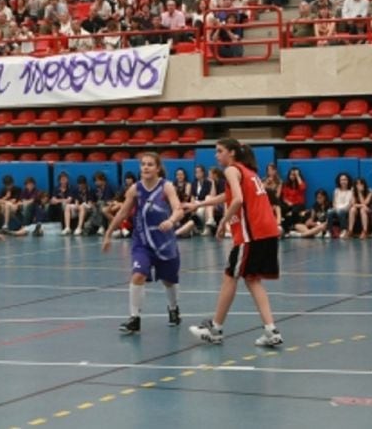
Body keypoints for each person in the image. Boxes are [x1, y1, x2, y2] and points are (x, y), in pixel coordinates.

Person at [186, 139, 284, 347]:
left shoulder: (232, 169)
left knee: (230, 276)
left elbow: (237, 199)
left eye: (219, 151)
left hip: (252, 233)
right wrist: (200, 203)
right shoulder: (247, 171)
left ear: (231, 153)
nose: (216, 155)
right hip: (267, 231)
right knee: (252, 279)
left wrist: (222, 221)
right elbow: (228, 195)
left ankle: (216, 328)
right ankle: (271, 330)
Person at [103, 153, 184, 335]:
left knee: (169, 281)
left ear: (157, 168)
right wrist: (108, 234)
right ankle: (134, 319)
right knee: (138, 275)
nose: (145, 167)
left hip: (164, 243)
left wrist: (171, 221)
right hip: (142, 242)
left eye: (150, 164)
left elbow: (178, 209)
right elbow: (122, 213)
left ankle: (173, 308)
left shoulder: (166, 187)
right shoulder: (135, 189)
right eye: (143, 164)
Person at [327, 173, 353, 237]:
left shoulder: (352, 190)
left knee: (341, 211)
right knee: (329, 211)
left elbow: (351, 203)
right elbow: (334, 202)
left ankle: (344, 230)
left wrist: (346, 209)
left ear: (348, 180)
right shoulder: (336, 190)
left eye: (345, 179)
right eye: (341, 180)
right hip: (336, 208)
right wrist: (335, 208)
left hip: (346, 209)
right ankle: (329, 231)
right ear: (339, 181)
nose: (343, 181)